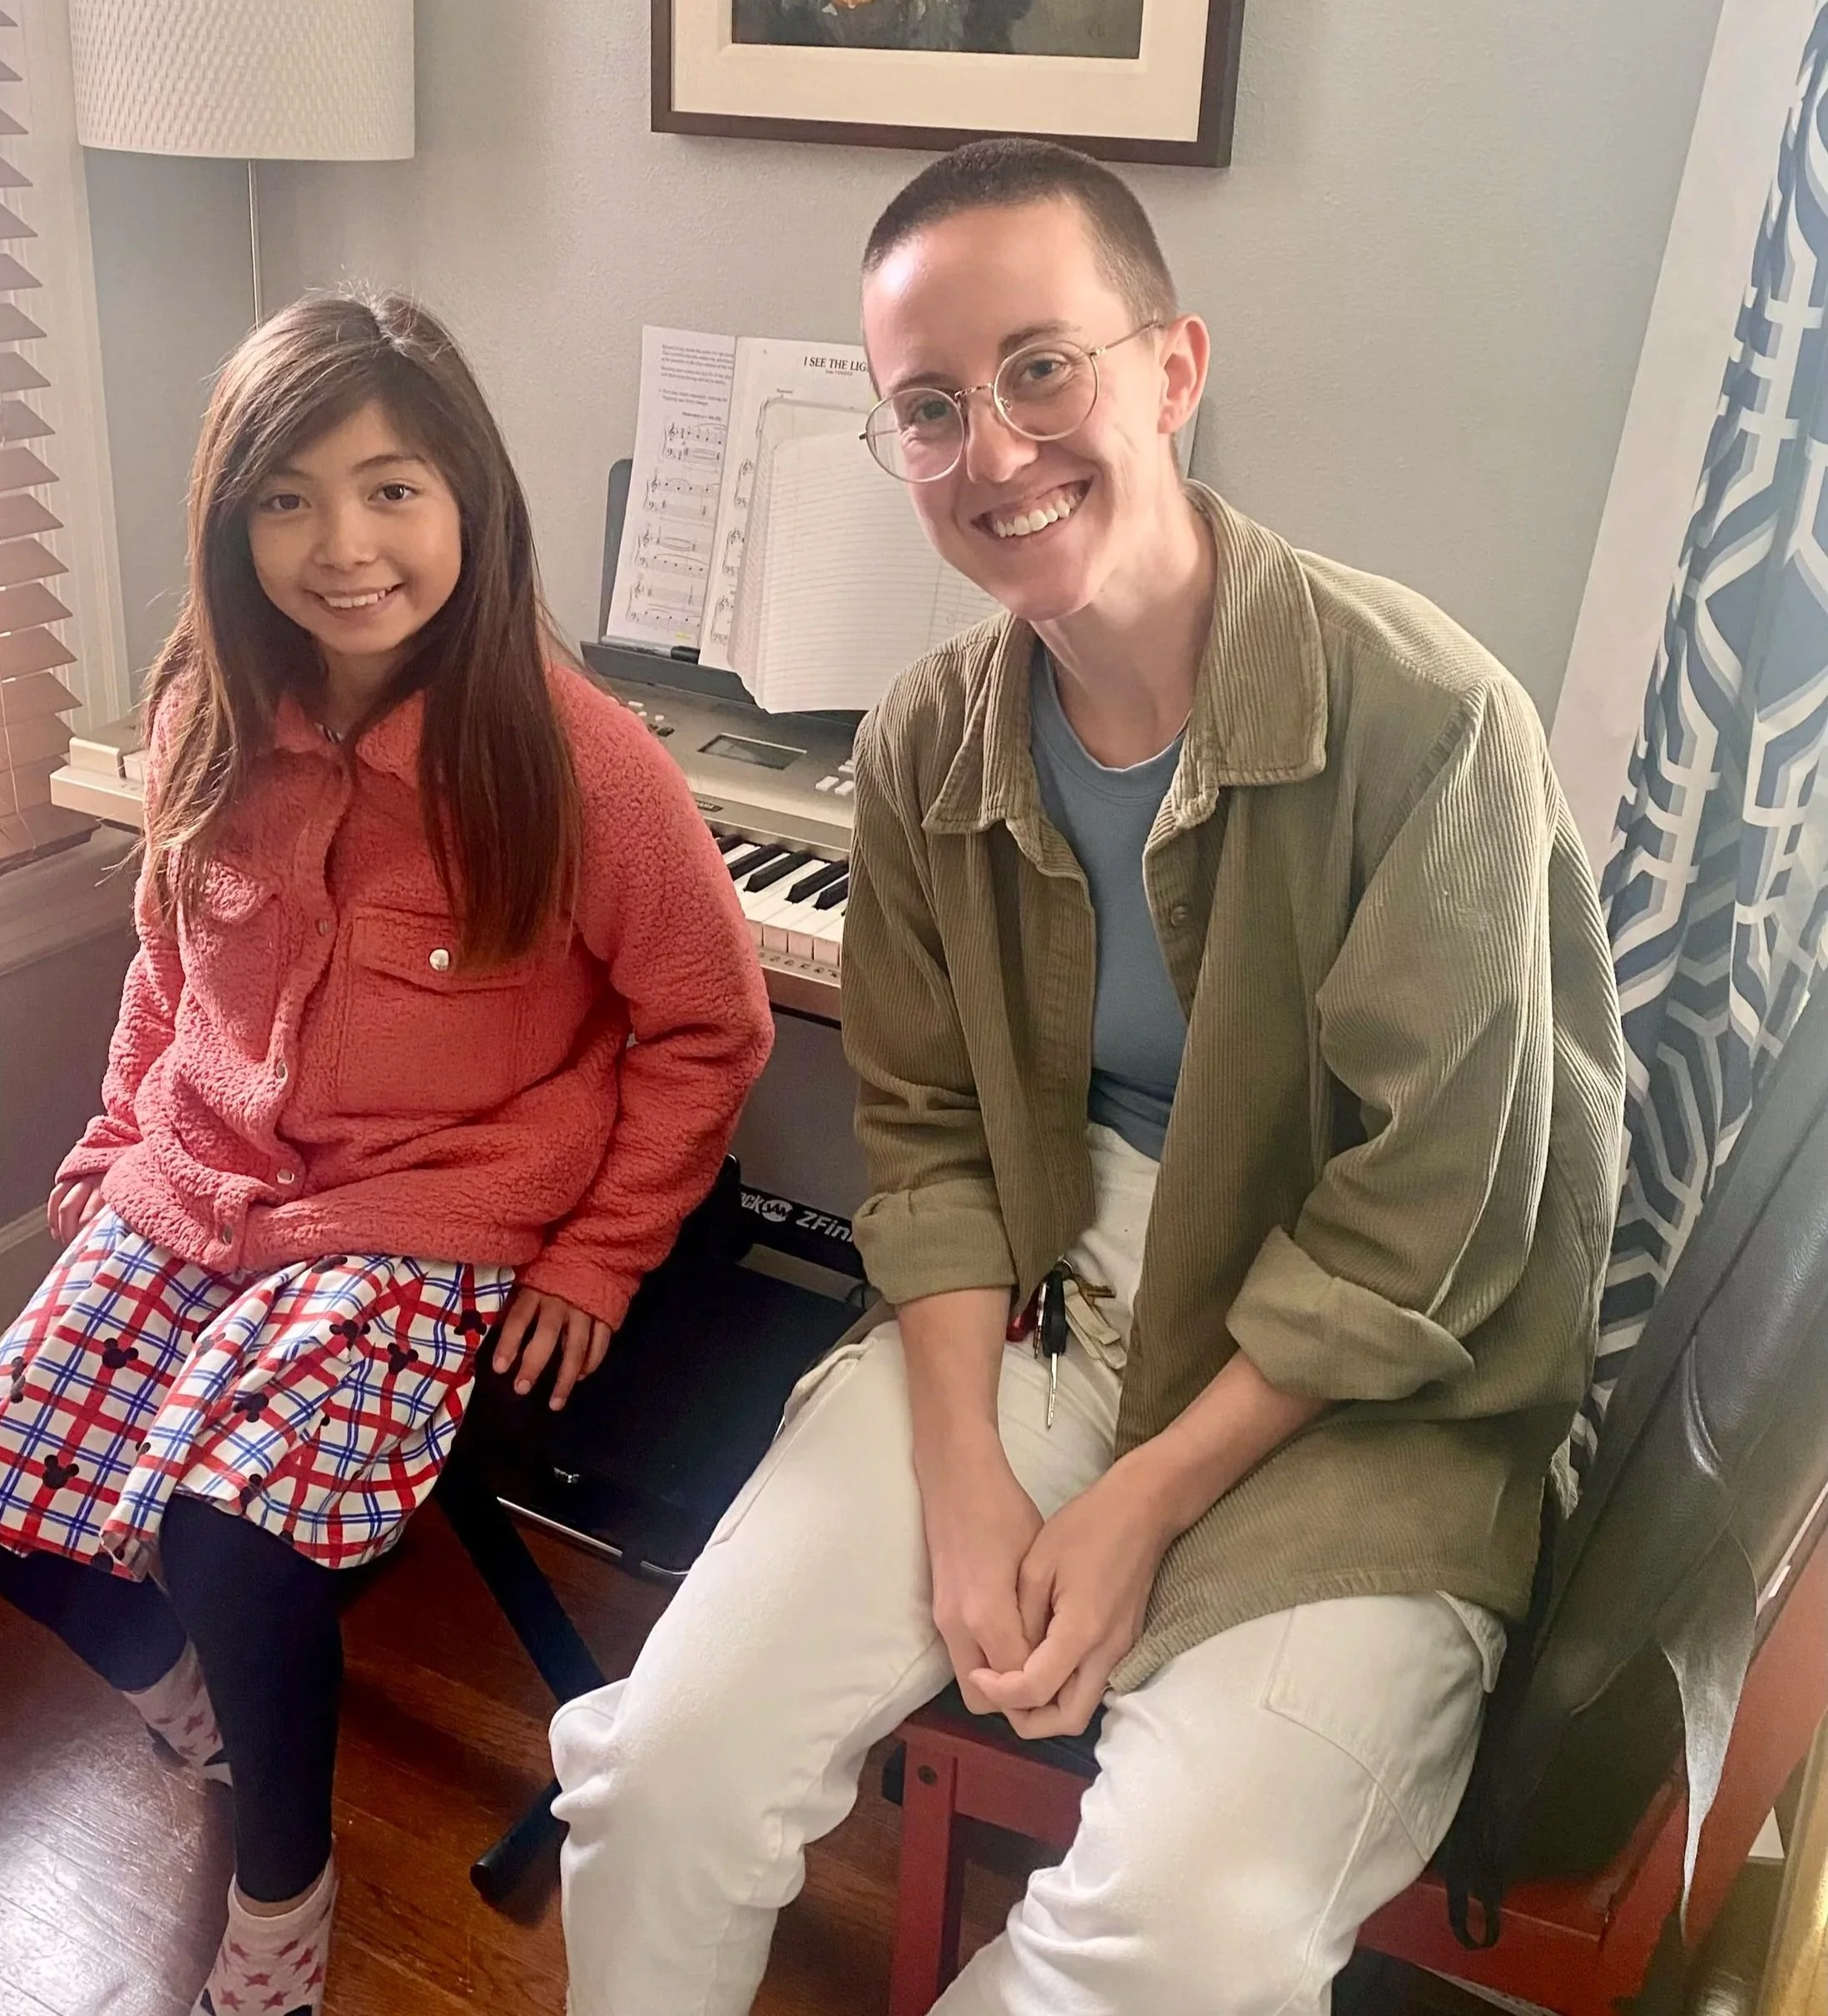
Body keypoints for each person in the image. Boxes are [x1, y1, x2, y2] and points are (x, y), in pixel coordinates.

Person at [550, 139, 1627, 2014]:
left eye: (1041, 367)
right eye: (928, 407)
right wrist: (967, 1475)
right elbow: (931, 1135)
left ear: (1171, 367)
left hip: (1369, 1393)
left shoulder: (1429, 721)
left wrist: (1132, 1503)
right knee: (661, 1769)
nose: (993, 448)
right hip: (1052, 1291)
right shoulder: (920, 746)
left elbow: (1435, 1216)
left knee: (1180, 1942)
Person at [0, 293, 773, 2016]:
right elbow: (169, 955)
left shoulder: (582, 759)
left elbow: (710, 1025)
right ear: (232, 523)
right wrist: (110, 1136)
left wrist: (597, 1255)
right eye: (286, 497)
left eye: (390, 489)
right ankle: (204, 1701)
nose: (342, 543)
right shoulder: (201, 709)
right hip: (203, 1175)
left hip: (422, 1217)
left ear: (469, 501)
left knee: (226, 1532)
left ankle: (281, 1901)